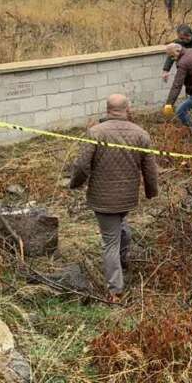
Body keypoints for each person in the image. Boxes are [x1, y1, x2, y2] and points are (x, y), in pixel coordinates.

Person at [69, 94, 158, 303]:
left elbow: (81, 165)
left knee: (110, 242)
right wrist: (151, 191)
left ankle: (115, 290)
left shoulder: (95, 132)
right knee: (121, 226)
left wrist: (75, 183)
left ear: (108, 109)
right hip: (127, 198)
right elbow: (150, 168)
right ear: (127, 109)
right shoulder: (141, 134)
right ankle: (123, 258)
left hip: (103, 198)